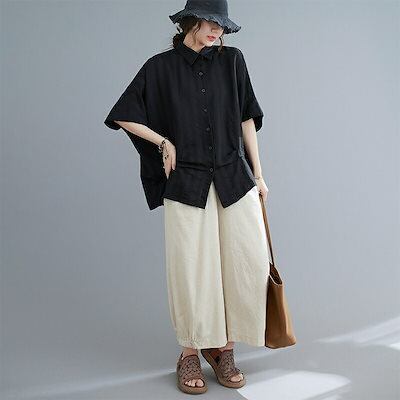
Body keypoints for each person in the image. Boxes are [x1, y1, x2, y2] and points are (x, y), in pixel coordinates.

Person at [104, 0, 271, 395]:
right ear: (190, 20)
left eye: (222, 26)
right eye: (211, 23)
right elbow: (123, 113)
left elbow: (246, 117)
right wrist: (163, 143)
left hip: (234, 178)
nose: (217, 32)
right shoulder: (159, 68)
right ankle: (189, 353)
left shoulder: (233, 61)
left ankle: (225, 349)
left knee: (243, 265)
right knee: (191, 271)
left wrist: (260, 174)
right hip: (187, 184)